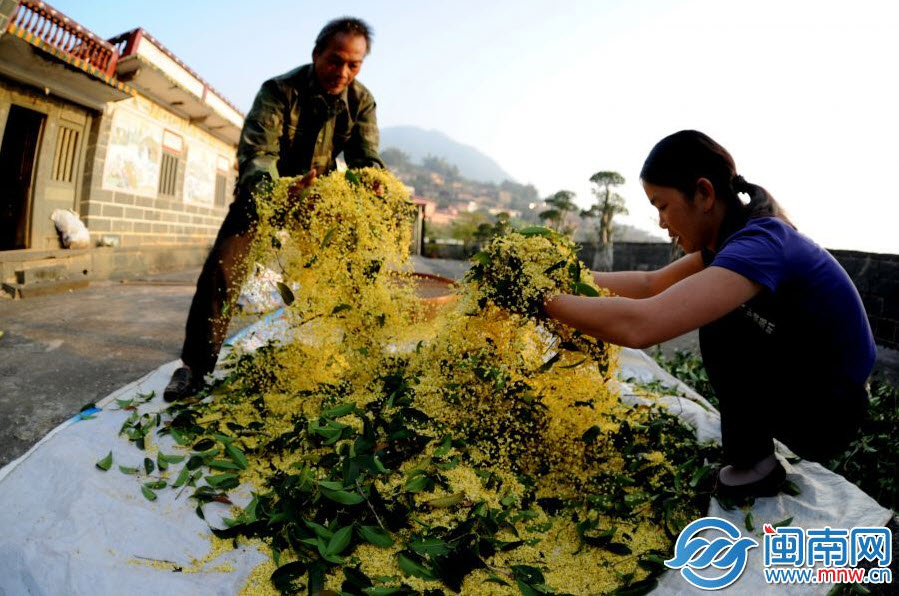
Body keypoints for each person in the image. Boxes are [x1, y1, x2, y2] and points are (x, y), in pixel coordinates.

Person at [545, 130, 875, 499]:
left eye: (662, 206)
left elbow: (643, 324)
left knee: (721, 320)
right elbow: (650, 283)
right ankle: (755, 454)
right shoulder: (731, 243)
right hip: (808, 386)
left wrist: (541, 300)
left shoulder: (760, 244)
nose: (661, 222)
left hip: (829, 413)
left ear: (703, 193)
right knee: (717, 312)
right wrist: (561, 277)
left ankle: (756, 466)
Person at [164, 17, 385, 401]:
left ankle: (353, 360)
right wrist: (279, 190)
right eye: (335, 61)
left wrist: (376, 180)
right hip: (265, 193)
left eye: (354, 65)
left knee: (353, 268)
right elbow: (257, 153)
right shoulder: (279, 91)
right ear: (316, 54)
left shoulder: (361, 101)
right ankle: (194, 368)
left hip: (319, 199)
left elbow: (366, 157)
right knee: (222, 270)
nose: (342, 72)